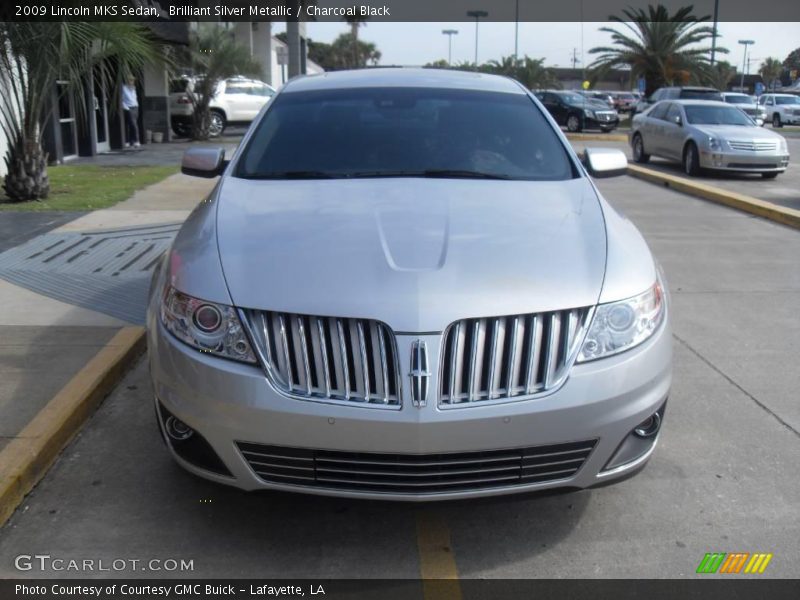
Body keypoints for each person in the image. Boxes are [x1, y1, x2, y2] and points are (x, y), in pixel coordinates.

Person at [122, 75, 140, 148]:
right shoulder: (124, 88)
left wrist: (137, 105)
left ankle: (131, 141)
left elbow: (135, 98)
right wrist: (126, 108)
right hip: (129, 107)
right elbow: (122, 99)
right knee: (133, 124)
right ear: (127, 81)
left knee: (132, 124)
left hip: (135, 107)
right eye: (130, 80)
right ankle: (136, 140)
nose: (132, 82)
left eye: (132, 80)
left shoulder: (133, 88)